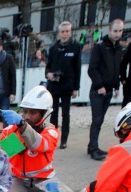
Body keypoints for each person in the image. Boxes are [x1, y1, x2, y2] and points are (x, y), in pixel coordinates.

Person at [0, 86, 76, 192]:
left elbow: (37, 144)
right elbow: (1, 148)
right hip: (19, 180)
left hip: (45, 180)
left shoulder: (51, 132)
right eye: (25, 112)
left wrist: (22, 126)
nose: (27, 116)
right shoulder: (14, 127)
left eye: (32, 113)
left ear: (44, 113)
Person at [87, 19, 124, 161]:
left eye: (120, 31)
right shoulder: (100, 47)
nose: (117, 34)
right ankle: (93, 149)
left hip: (109, 90)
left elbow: (116, 70)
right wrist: (99, 85)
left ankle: (93, 145)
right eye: (115, 31)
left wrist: (116, 87)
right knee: (96, 120)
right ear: (109, 30)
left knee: (100, 120)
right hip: (98, 91)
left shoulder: (118, 48)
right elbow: (92, 69)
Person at [46, 21, 82, 149]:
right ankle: (53, 137)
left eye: (67, 31)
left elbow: (77, 69)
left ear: (70, 32)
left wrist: (76, 88)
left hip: (68, 86)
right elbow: (48, 67)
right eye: (63, 31)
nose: (65, 34)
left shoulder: (76, 47)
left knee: (65, 114)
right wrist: (49, 74)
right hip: (54, 86)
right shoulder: (53, 48)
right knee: (53, 114)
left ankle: (64, 140)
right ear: (59, 33)